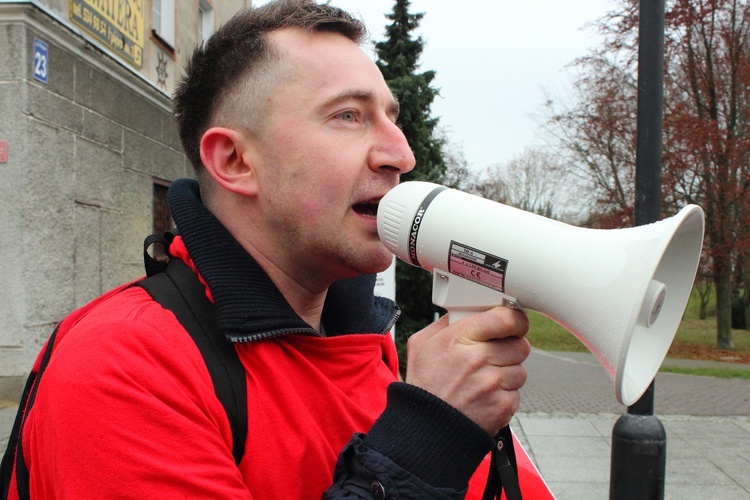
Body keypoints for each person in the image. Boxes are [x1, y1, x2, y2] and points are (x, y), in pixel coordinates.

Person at [6, 0, 530, 498]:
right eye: (348, 115)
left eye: (391, 118)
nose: (402, 154)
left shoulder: (365, 344)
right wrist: (429, 434)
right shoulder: (120, 366)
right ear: (234, 160)